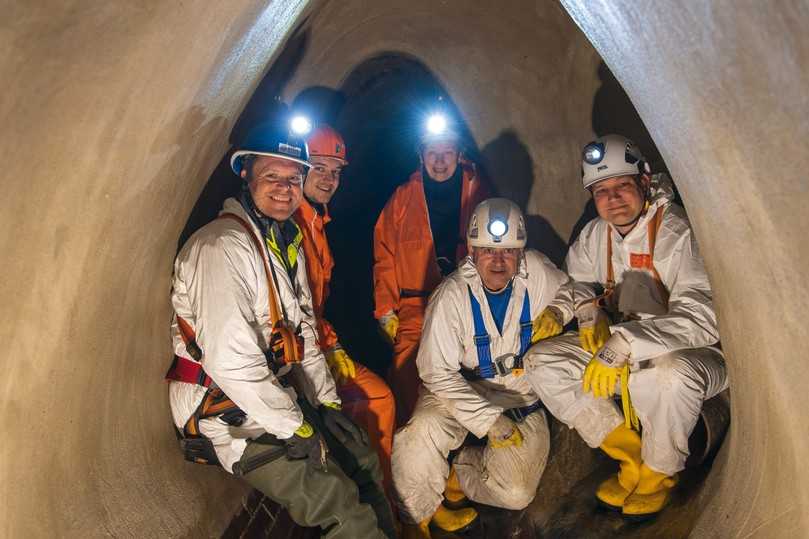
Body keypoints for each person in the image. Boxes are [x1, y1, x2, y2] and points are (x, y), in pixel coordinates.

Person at [164, 121, 395, 538]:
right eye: (272, 176)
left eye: (294, 178)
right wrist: (297, 426)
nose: (285, 188)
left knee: (361, 454)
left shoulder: (282, 241)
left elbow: (301, 331)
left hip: (274, 397)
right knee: (343, 508)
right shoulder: (220, 247)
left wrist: (326, 404)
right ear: (246, 174)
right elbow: (232, 362)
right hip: (227, 412)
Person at [525, 134, 728, 519]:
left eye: (622, 185)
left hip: (693, 358)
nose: (613, 198)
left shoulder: (677, 232)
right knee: (542, 362)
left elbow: (704, 318)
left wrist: (622, 345)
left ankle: (659, 472)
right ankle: (630, 456)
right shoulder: (596, 234)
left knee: (666, 374)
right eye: (601, 190)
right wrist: (578, 313)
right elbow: (580, 283)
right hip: (622, 354)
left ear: (645, 182)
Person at [393, 198, 569, 538]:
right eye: (488, 250)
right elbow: (435, 371)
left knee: (517, 493)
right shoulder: (451, 295)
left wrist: (562, 310)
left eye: (508, 251)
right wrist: (488, 421)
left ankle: (457, 476)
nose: (499, 260)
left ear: (521, 252)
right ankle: (416, 521)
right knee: (420, 433)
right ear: (472, 251)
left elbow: (576, 291)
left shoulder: (537, 271)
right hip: (459, 389)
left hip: (517, 395)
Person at [293, 124, 396, 493]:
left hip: (317, 341)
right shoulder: (293, 226)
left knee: (382, 392)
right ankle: (381, 502)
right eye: (319, 168)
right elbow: (297, 306)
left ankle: (383, 496)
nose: (328, 179)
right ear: (299, 169)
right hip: (303, 350)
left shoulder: (316, 222)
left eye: (335, 172)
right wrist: (331, 346)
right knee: (378, 398)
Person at [373, 112, 490, 423]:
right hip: (415, 306)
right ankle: (410, 445)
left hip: (467, 302)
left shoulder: (479, 191)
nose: (440, 161)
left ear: (459, 153)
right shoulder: (402, 197)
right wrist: (385, 308)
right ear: (421, 155)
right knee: (407, 375)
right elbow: (383, 253)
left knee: (465, 376)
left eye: (447, 152)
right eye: (432, 153)